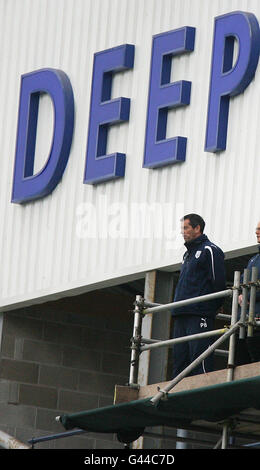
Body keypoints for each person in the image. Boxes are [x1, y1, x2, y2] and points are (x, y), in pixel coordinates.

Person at [172, 214, 226, 378]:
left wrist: (211, 307)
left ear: (197, 228)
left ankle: (202, 397)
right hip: (181, 313)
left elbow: (218, 282)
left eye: (186, 228)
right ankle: (178, 397)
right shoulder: (187, 255)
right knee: (180, 360)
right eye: (182, 228)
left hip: (199, 314)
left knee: (200, 358)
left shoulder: (210, 250)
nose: (183, 232)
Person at [236, 221, 260, 364]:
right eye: (256, 229)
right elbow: (242, 284)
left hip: (257, 322)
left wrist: (248, 296)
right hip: (245, 322)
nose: (257, 232)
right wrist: (242, 296)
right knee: (241, 364)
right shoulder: (254, 259)